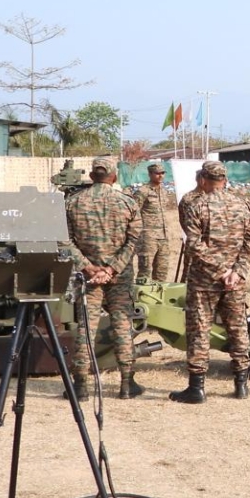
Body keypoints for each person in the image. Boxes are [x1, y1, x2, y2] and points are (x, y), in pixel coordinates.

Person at [169, 161, 250, 403]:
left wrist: (221, 271)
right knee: (238, 328)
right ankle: (241, 384)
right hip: (234, 281)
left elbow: (194, 244)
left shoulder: (196, 205)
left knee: (199, 331)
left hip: (204, 280)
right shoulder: (242, 204)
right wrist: (237, 272)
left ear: (203, 179)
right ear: (225, 180)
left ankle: (196, 388)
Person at [65, 157, 143, 400]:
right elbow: (134, 240)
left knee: (85, 328)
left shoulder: (73, 202)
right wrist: (112, 269)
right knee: (122, 325)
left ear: (91, 176)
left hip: (87, 278)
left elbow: (64, 241)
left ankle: (81, 386)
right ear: (114, 177)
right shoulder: (127, 202)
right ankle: (127, 384)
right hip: (120, 276)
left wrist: (88, 267)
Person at [134, 163, 173, 281]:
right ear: (150, 174)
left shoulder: (164, 191)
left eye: (162, 173)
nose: (160, 176)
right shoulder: (143, 191)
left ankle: (160, 293)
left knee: (162, 271)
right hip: (148, 237)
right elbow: (134, 213)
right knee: (145, 270)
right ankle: (142, 293)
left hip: (164, 236)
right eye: (157, 173)